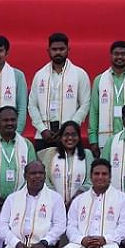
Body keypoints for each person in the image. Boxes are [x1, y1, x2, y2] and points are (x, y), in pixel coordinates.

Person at [29, 32, 91, 175]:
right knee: (43, 174)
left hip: (70, 135)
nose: (58, 52)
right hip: (44, 134)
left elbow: (85, 104)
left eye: (61, 49)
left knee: (70, 173)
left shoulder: (79, 74)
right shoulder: (40, 75)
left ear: (68, 50)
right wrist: (42, 129)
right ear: (48, 51)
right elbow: (32, 105)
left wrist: (69, 129)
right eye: (54, 49)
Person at [92, 39, 125, 154]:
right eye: (116, 54)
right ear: (111, 55)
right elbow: (94, 112)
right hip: (105, 137)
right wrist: (93, 140)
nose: (120, 57)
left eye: (123, 54)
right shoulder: (99, 80)